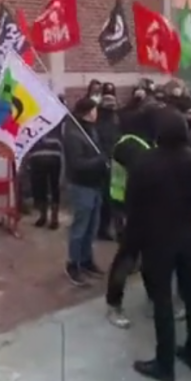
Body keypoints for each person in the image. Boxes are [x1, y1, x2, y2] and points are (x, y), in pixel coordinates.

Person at [126, 109, 191, 381]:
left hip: (156, 240)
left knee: (162, 299)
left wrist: (134, 242)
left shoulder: (145, 163)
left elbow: (133, 205)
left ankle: (165, 364)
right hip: (188, 237)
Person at [103, 104, 158, 328]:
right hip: (128, 209)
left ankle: (154, 300)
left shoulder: (140, 142)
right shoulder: (130, 146)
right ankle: (114, 305)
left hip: (140, 208)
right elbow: (143, 177)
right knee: (126, 258)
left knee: (150, 258)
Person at [62, 97, 109, 286]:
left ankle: (87, 260)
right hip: (82, 186)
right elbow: (77, 164)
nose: (97, 113)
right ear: (88, 112)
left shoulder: (91, 130)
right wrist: (99, 160)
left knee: (92, 227)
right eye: (95, 109)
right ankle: (73, 264)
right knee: (80, 227)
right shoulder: (74, 134)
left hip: (96, 185)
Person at [25, 120, 63, 229]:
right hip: (37, 156)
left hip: (53, 155)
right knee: (39, 188)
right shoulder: (32, 117)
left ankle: (54, 217)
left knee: (54, 187)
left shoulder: (55, 114)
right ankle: (43, 215)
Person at [95, 94, 122, 240]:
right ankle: (104, 228)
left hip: (113, 160)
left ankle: (108, 228)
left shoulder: (115, 119)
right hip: (106, 162)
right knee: (108, 198)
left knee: (111, 198)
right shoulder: (104, 121)